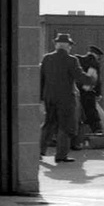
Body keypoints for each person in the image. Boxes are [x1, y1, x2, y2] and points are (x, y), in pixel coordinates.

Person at [39, 32, 92, 163]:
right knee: (65, 126)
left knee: (48, 124)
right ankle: (61, 155)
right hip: (66, 99)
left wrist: (41, 97)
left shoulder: (46, 58)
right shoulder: (72, 60)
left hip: (49, 97)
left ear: (56, 45)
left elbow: (41, 79)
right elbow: (80, 77)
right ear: (68, 46)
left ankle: (39, 151)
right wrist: (92, 78)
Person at [77, 45, 104, 140]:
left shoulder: (78, 59)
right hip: (88, 92)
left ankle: (77, 136)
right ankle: (98, 132)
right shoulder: (94, 63)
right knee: (91, 112)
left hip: (76, 92)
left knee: (77, 113)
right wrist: (98, 93)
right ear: (97, 55)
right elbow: (95, 79)